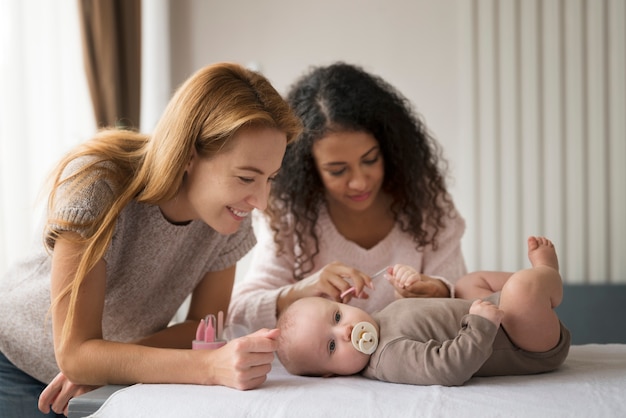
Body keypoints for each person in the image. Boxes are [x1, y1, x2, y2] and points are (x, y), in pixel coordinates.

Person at [0, 62, 302, 417]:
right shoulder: (98, 185)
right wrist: (207, 366)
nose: (261, 202)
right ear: (189, 155)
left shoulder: (229, 219)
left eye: (270, 179)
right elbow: (76, 353)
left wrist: (109, 365)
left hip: (97, 384)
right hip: (12, 364)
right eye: (246, 178)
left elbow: (203, 327)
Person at [227, 62, 467, 334]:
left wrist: (437, 292)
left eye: (370, 159)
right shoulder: (289, 215)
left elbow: (465, 302)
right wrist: (300, 292)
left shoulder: (427, 206)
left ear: (389, 149)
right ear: (309, 169)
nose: (359, 182)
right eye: (337, 170)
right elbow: (237, 312)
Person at [276, 236, 571, 386]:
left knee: (469, 282)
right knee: (521, 289)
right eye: (331, 345)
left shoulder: (380, 321)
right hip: (526, 345)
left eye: (337, 317)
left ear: (344, 304)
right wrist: (480, 326)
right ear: (331, 374)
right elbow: (447, 369)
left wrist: (410, 284)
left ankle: (532, 296)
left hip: (498, 316)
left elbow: (432, 312)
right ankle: (545, 274)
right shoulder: (388, 357)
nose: (346, 331)